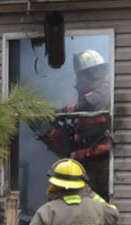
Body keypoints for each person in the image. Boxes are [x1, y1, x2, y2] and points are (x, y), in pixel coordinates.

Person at [32, 49, 113, 201]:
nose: (77, 82)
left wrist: (63, 111)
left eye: (80, 76)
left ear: (90, 74)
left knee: (97, 198)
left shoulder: (105, 89)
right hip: (87, 158)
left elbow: (89, 103)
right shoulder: (90, 94)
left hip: (100, 161)